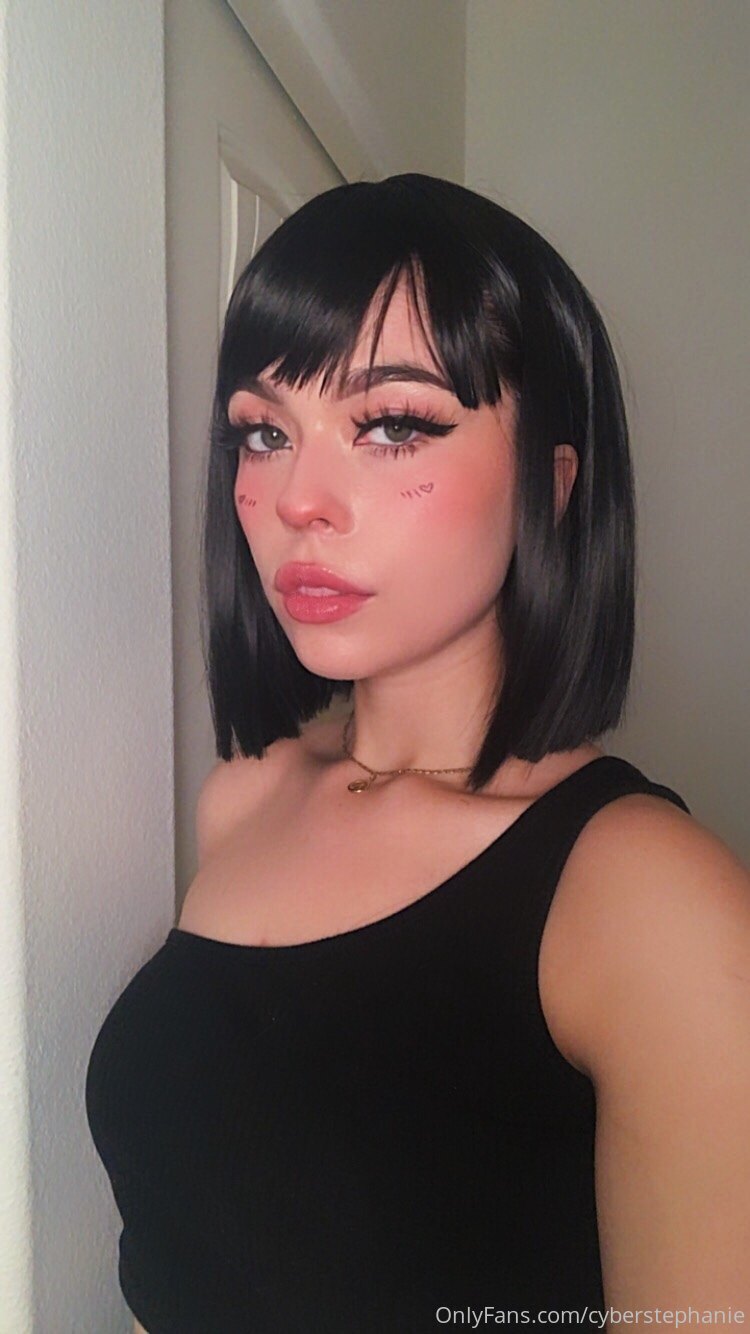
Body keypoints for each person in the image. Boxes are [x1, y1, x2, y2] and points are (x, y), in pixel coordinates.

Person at [85, 174, 750, 1333]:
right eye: (263, 431)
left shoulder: (645, 895)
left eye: (394, 425)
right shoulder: (242, 799)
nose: (301, 499)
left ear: (552, 480)